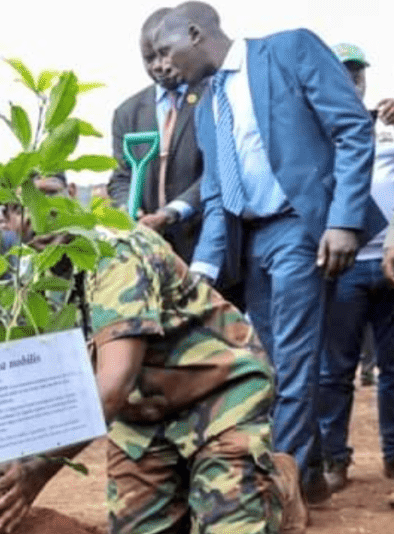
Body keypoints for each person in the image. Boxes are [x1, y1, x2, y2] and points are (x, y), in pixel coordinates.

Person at [0, 209, 308, 534]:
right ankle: (201, 482)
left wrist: (37, 469)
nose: (40, 213)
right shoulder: (38, 276)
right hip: (144, 410)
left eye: (50, 194)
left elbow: (112, 388)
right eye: (21, 206)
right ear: (8, 220)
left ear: (72, 196)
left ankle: (278, 480)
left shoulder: (116, 252)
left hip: (215, 392)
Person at [151, 1, 387, 503]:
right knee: (269, 359)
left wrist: (343, 221)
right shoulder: (207, 101)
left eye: (165, 51)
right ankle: (309, 473)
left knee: (292, 360)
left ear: (195, 34)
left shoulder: (289, 50)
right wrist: (201, 273)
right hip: (251, 239)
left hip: (302, 225)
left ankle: (283, 494)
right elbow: (217, 195)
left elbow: (350, 128)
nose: (163, 65)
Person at [317, 44, 394, 491]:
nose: (350, 80)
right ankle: (334, 460)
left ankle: (393, 460)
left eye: (356, 72)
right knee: (335, 370)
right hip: (343, 266)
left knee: (393, 369)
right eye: (341, 72)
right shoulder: (317, 128)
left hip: (389, 264)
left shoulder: (387, 123)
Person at [108, 7, 205, 264]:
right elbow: (121, 177)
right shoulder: (127, 113)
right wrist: (128, 208)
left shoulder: (211, 98)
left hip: (204, 244)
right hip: (151, 254)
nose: (158, 66)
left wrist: (171, 213)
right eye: (148, 59)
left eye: (163, 55)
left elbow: (218, 173)